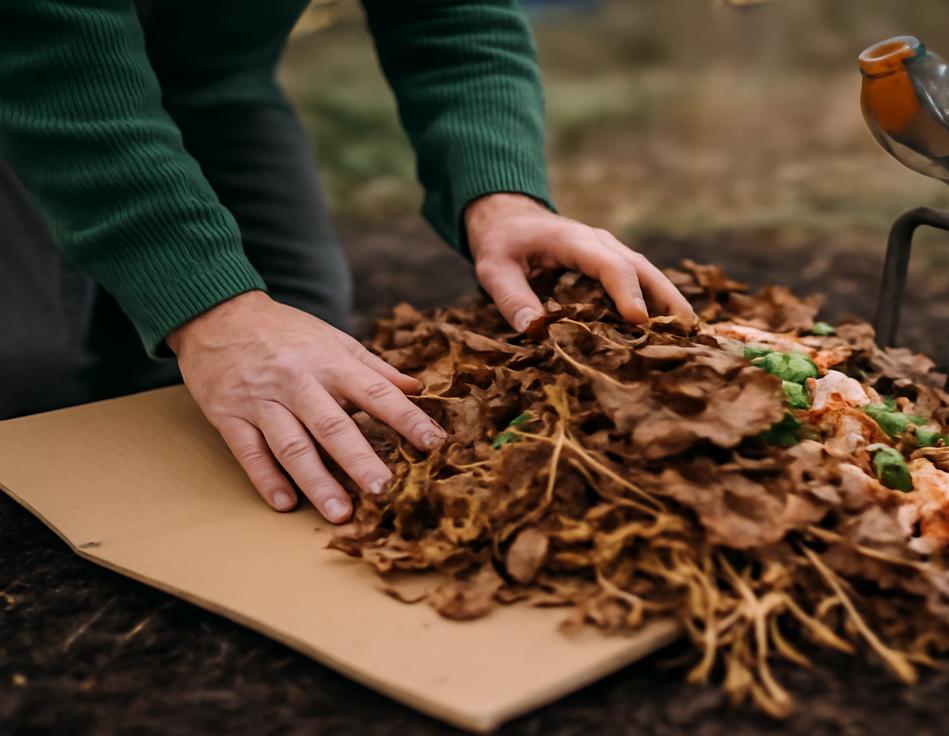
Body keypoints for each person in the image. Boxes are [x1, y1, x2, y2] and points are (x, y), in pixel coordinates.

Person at [0, 1, 694, 524]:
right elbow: (47, 44)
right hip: (26, 67)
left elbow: (450, 15)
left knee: (309, 359)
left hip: (207, 80)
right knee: (27, 369)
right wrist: (210, 311)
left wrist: (503, 198)